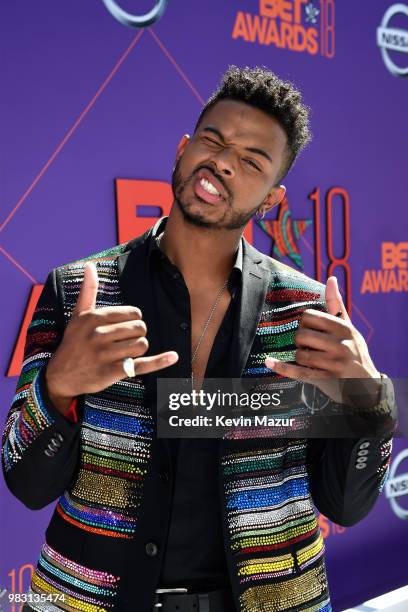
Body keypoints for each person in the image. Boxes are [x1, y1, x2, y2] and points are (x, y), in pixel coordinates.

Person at [2, 66, 397, 612]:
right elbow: (25, 481)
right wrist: (58, 388)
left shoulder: (302, 313)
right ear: (184, 150)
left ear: (271, 199)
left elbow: (344, 504)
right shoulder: (77, 294)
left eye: (252, 161)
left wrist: (368, 401)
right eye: (213, 140)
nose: (223, 161)